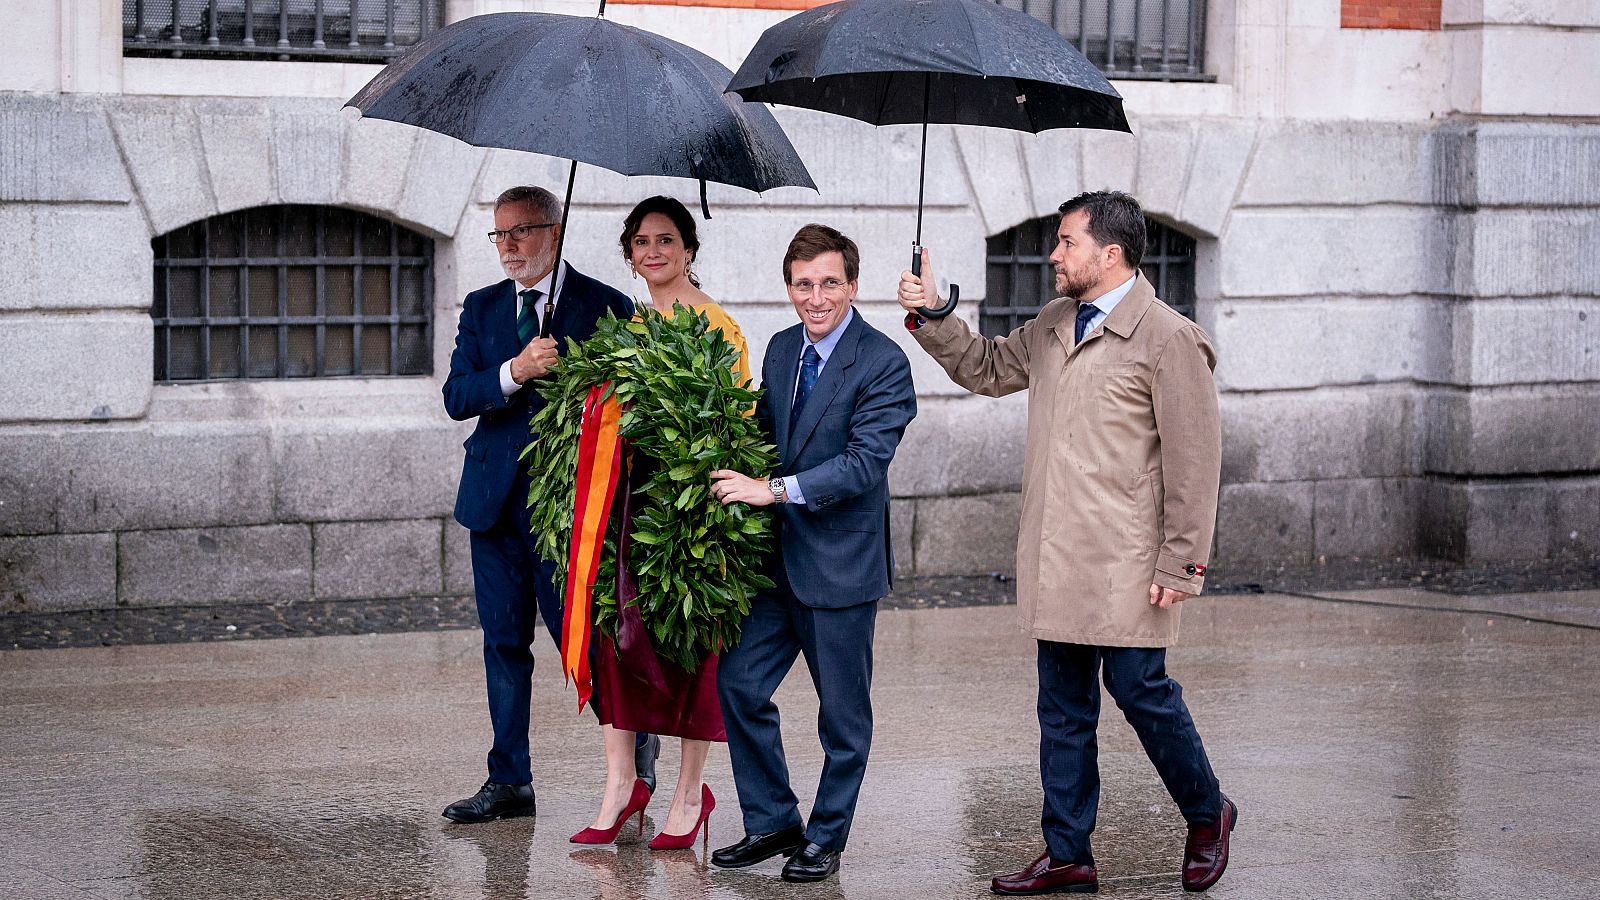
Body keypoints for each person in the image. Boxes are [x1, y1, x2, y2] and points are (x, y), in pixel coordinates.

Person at [897, 190, 1234, 894]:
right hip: (1058, 555)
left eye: (1067, 242)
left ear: (1110, 254)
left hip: (1130, 561)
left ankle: (1208, 814)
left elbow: (1196, 462)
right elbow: (988, 368)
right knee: (1063, 707)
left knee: (1142, 692)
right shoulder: (1055, 322)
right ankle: (1068, 853)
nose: (1054, 254)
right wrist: (934, 315)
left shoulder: (1170, 338)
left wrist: (1183, 559)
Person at [709, 224, 918, 882]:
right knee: (738, 685)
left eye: (830, 283)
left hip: (841, 568)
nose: (817, 296)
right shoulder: (777, 351)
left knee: (843, 716)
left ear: (853, 286)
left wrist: (770, 491)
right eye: (804, 284)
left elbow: (862, 465)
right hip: (777, 566)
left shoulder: (883, 362)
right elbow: (764, 437)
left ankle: (825, 838)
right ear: (789, 287)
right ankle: (772, 820)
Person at [440, 185, 653, 824]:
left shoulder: (605, 305)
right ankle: (509, 780)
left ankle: (636, 768)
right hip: (494, 508)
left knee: (587, 643)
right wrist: (516, 369)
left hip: (570, 513)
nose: (508, 247)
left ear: (554, 233)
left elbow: (629, 400)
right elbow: (457, 396)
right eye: (498, 235)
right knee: (503, 644)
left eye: (521, 232)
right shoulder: (481, 309)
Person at [571, 195, 749, 849]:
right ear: (629, 255)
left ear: (689, 250)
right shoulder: (629, 328)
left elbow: (729, 426)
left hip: (689, 516)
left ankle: (687, 792)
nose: (653, 251)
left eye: (666, 239)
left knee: (690, 653)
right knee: (613, 643)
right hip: (625, 509)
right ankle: (621, 784)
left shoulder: (719, 328)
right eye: (642, 241)